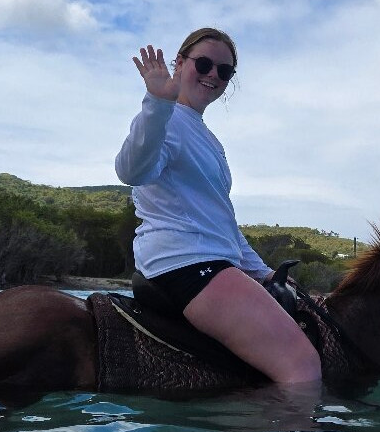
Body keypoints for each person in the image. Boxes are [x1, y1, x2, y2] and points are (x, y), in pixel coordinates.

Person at [115, 27, 322, 384]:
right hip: (184, 263)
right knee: (302, 365)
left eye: (224, 71)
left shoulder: (208, 139)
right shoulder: (166, 120)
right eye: (205, 63)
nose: (213, 75)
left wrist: (263, 272)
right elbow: (132, 170)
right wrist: (157, 103)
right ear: (179, 63)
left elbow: (222, 224)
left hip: (210, 260)